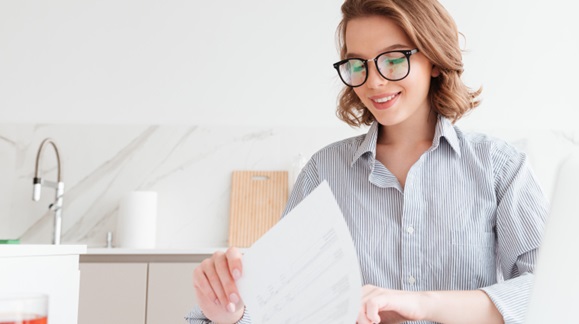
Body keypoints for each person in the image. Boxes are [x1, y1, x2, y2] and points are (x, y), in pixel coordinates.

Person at [186, 0, 547, 323]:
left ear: (434, 60)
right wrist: (230, 314)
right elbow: (284, 307)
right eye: (358, 64)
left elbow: (546, 292)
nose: (373, 82)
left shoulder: (500, 167)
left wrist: (424, 304)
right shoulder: (323, 173)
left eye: (393, 60)